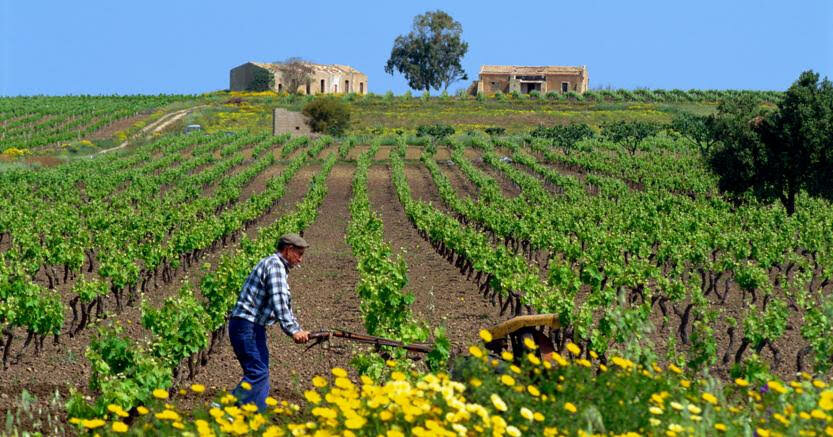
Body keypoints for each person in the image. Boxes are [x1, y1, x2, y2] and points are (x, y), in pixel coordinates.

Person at [228, 233, 311, 410]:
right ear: (288, 250)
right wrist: (294, 330)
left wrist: (297, 328)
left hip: (252, 326)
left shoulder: (274, 265)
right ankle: (223, 409)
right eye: (299, 254)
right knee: (258, 372)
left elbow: (283, 305)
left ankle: (256, 415)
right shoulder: (275, 266)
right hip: (246, 325)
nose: (300, 260)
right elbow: (279, 301)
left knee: (261, 373)